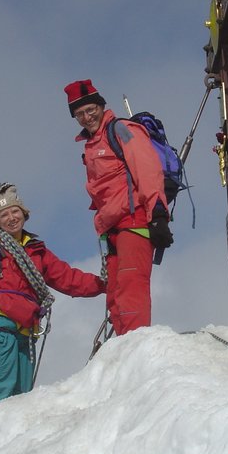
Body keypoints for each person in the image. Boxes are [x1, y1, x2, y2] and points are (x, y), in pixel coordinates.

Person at [0, 182, 106, 419]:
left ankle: (13, 448)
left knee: (21, 398)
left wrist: (102, 285)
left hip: (26, 333)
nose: (11, 218)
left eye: (15, 211)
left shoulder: (36, 251)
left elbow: (67, 278)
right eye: (4, 215)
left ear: (24, 213)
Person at [63, 79, 173, 337]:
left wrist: (158, 214)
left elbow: (146, 166)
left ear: (101, 106)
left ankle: (135, 347)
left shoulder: (121, 129)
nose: (87, 117)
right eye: (79, 114)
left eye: (90, 110)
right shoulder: (91, 146)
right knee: (115, 296)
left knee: (131, 287)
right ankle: (123, 351)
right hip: (113, 228)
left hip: (134, 221)